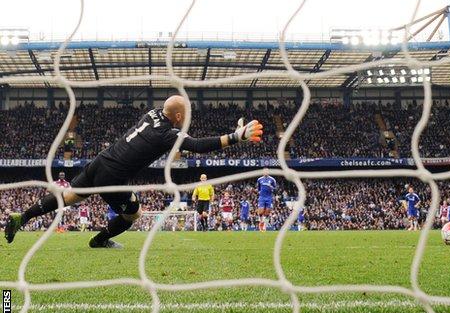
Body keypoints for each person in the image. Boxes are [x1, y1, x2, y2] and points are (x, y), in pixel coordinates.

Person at [5, 95, 263, 248]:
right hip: (114, 176)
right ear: (177, 115)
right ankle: (100, 241)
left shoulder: (151, 115)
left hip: (99, 162)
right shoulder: (166, 133)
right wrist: (235, 137)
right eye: (185, 114)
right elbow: (196, 145)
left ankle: (24, 216)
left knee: (70, 197)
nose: (187, 117)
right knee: (134, 214)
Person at [256, 167, 277, 232]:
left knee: (267, 212)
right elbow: (258, 188)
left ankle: (264, 226)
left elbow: (275, 188)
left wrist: (272, 188)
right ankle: (261, 222)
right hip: (262, 197)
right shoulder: (259, 179)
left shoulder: (272, 179)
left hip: (269, 197)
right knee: (261, 211)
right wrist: (259, 193)